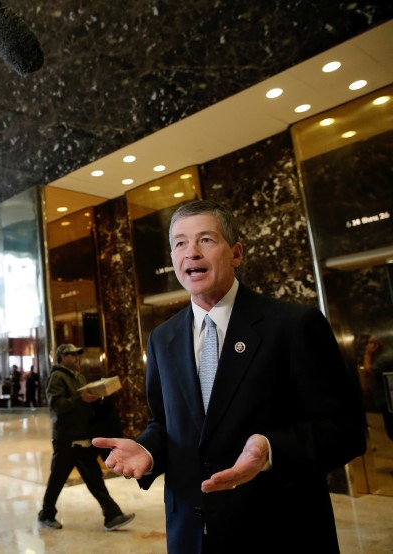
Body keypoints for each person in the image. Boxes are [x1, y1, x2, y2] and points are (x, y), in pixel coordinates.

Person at [92, 199, 366, 554]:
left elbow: (345, 430)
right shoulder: (163, 338)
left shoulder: (293, 325)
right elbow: (165, 422)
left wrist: (270, 449)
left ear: (236, 253)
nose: (190, 252)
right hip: (190, 532)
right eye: (179, 243)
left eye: (205, 239)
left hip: (279, 530)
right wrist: (148, 449)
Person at [37, 343, 135, 532]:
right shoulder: (57, 377)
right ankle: (46, 515)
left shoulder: (79, 376)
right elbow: (56, 406)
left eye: (77, 354)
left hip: (83, 438)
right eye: (72, 354)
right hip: (67, 440)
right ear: (62, 357)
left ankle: (112, 515)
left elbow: (83, 404)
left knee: (95, 479)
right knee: (57, 480)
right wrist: (79, 399)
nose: (76, 357)